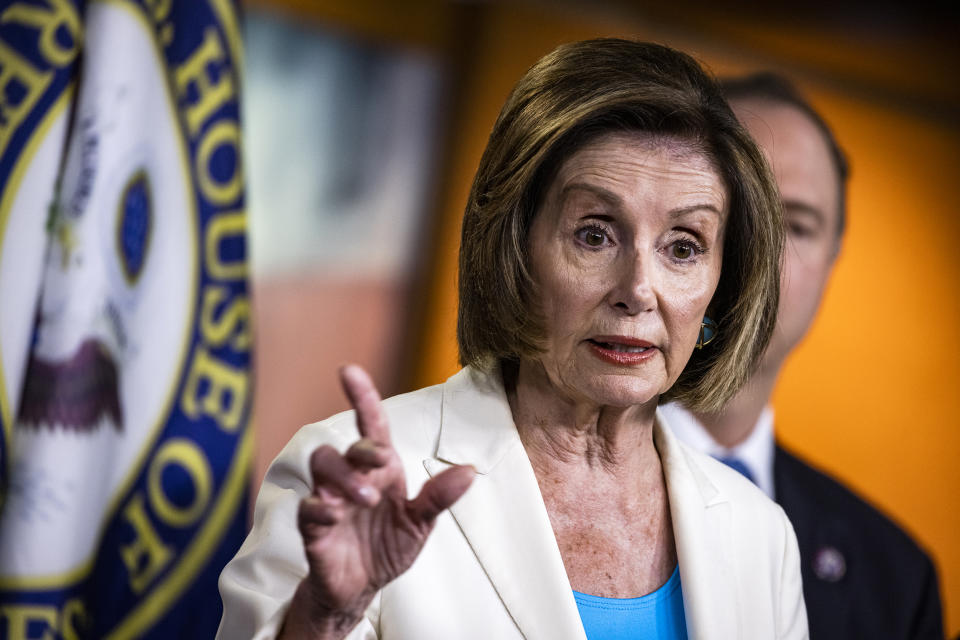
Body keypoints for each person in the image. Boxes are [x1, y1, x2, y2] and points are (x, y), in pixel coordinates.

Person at [217, 41, 808, 640]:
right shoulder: (349, 480)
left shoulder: (760, 538)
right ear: (515, 251)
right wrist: (324, 616)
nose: (638, 290)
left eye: (683, 247)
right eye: (595, 235)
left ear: (720, 285)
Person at [660, 72, 944, 639]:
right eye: (733, 207)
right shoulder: (503, 481)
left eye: (795, 224)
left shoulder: (896, 578)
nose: (761, 251)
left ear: (832, 261)